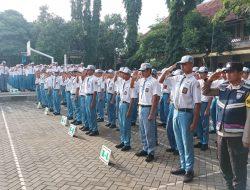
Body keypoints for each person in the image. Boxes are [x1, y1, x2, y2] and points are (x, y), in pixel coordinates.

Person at [203, 62, 250, 190]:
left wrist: (247, 138)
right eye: (226, 72)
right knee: (225, 168)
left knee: (238, 170)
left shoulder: (247, 90)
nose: (227, 74)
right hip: (221, 136)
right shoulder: (224, 87)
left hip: (237, 138)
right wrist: (210, 79)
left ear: (240, 74)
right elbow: (206, 92)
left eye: (231, 71)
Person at [160, 55, 201, 183]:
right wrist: (170, 68)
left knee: (187, 142)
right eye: (181, 64)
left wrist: (194, 122)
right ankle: (183, 166)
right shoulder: (177, 78)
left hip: (186, 114)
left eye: (184, 64)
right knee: (179, 141)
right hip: (176, 112)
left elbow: (198, 103)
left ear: (191, 64)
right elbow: (161, 80)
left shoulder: (194, 81)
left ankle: (189, 169)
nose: (182, 66)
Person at [132, 63, 161, 162]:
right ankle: (145, 148)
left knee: (149, 131)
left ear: (149, 70)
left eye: (143, 71)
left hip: (148, 107)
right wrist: (133, 77)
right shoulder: (141, 81)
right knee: (142, 130)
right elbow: (132, 87)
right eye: (141, 71)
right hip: (141, 106)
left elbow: (156, 98)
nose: (142, 72)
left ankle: (151, 152)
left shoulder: (154, 82)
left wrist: (152, 113)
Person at [116, 67, 135, 151]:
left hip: (127, 105)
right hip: (121, 103)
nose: (122, 75)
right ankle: (123, 140)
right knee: (121, 124)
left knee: (126, 125)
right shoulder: (122, 81)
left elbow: (132, 98)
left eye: (123, 73)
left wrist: (130, 110)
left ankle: (127, 143)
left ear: (127, 74)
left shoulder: (131, 83)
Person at [194, 66, 212, 151]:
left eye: (202, 73)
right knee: (198, 123)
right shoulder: (197, 81)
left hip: (205, 103)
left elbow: (211, 97)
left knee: (205, 124)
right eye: (200, 73)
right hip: (198, 103)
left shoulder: (209, 82)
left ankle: (205, 142)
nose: (201, 74)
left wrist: (208, 108)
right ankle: (201, 140)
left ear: (206, 73)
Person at [84, 65, 99, 136]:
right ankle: (91, 128)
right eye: (87, 70)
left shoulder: (94, 79)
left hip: (91, 97)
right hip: (87, 96)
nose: (87, 71)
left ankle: (95, 129)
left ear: (92, 71)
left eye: (88, 70)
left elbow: (95, 91)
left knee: (92, 114)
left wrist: (93, 101)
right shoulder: (87, 78)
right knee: (88, 114)